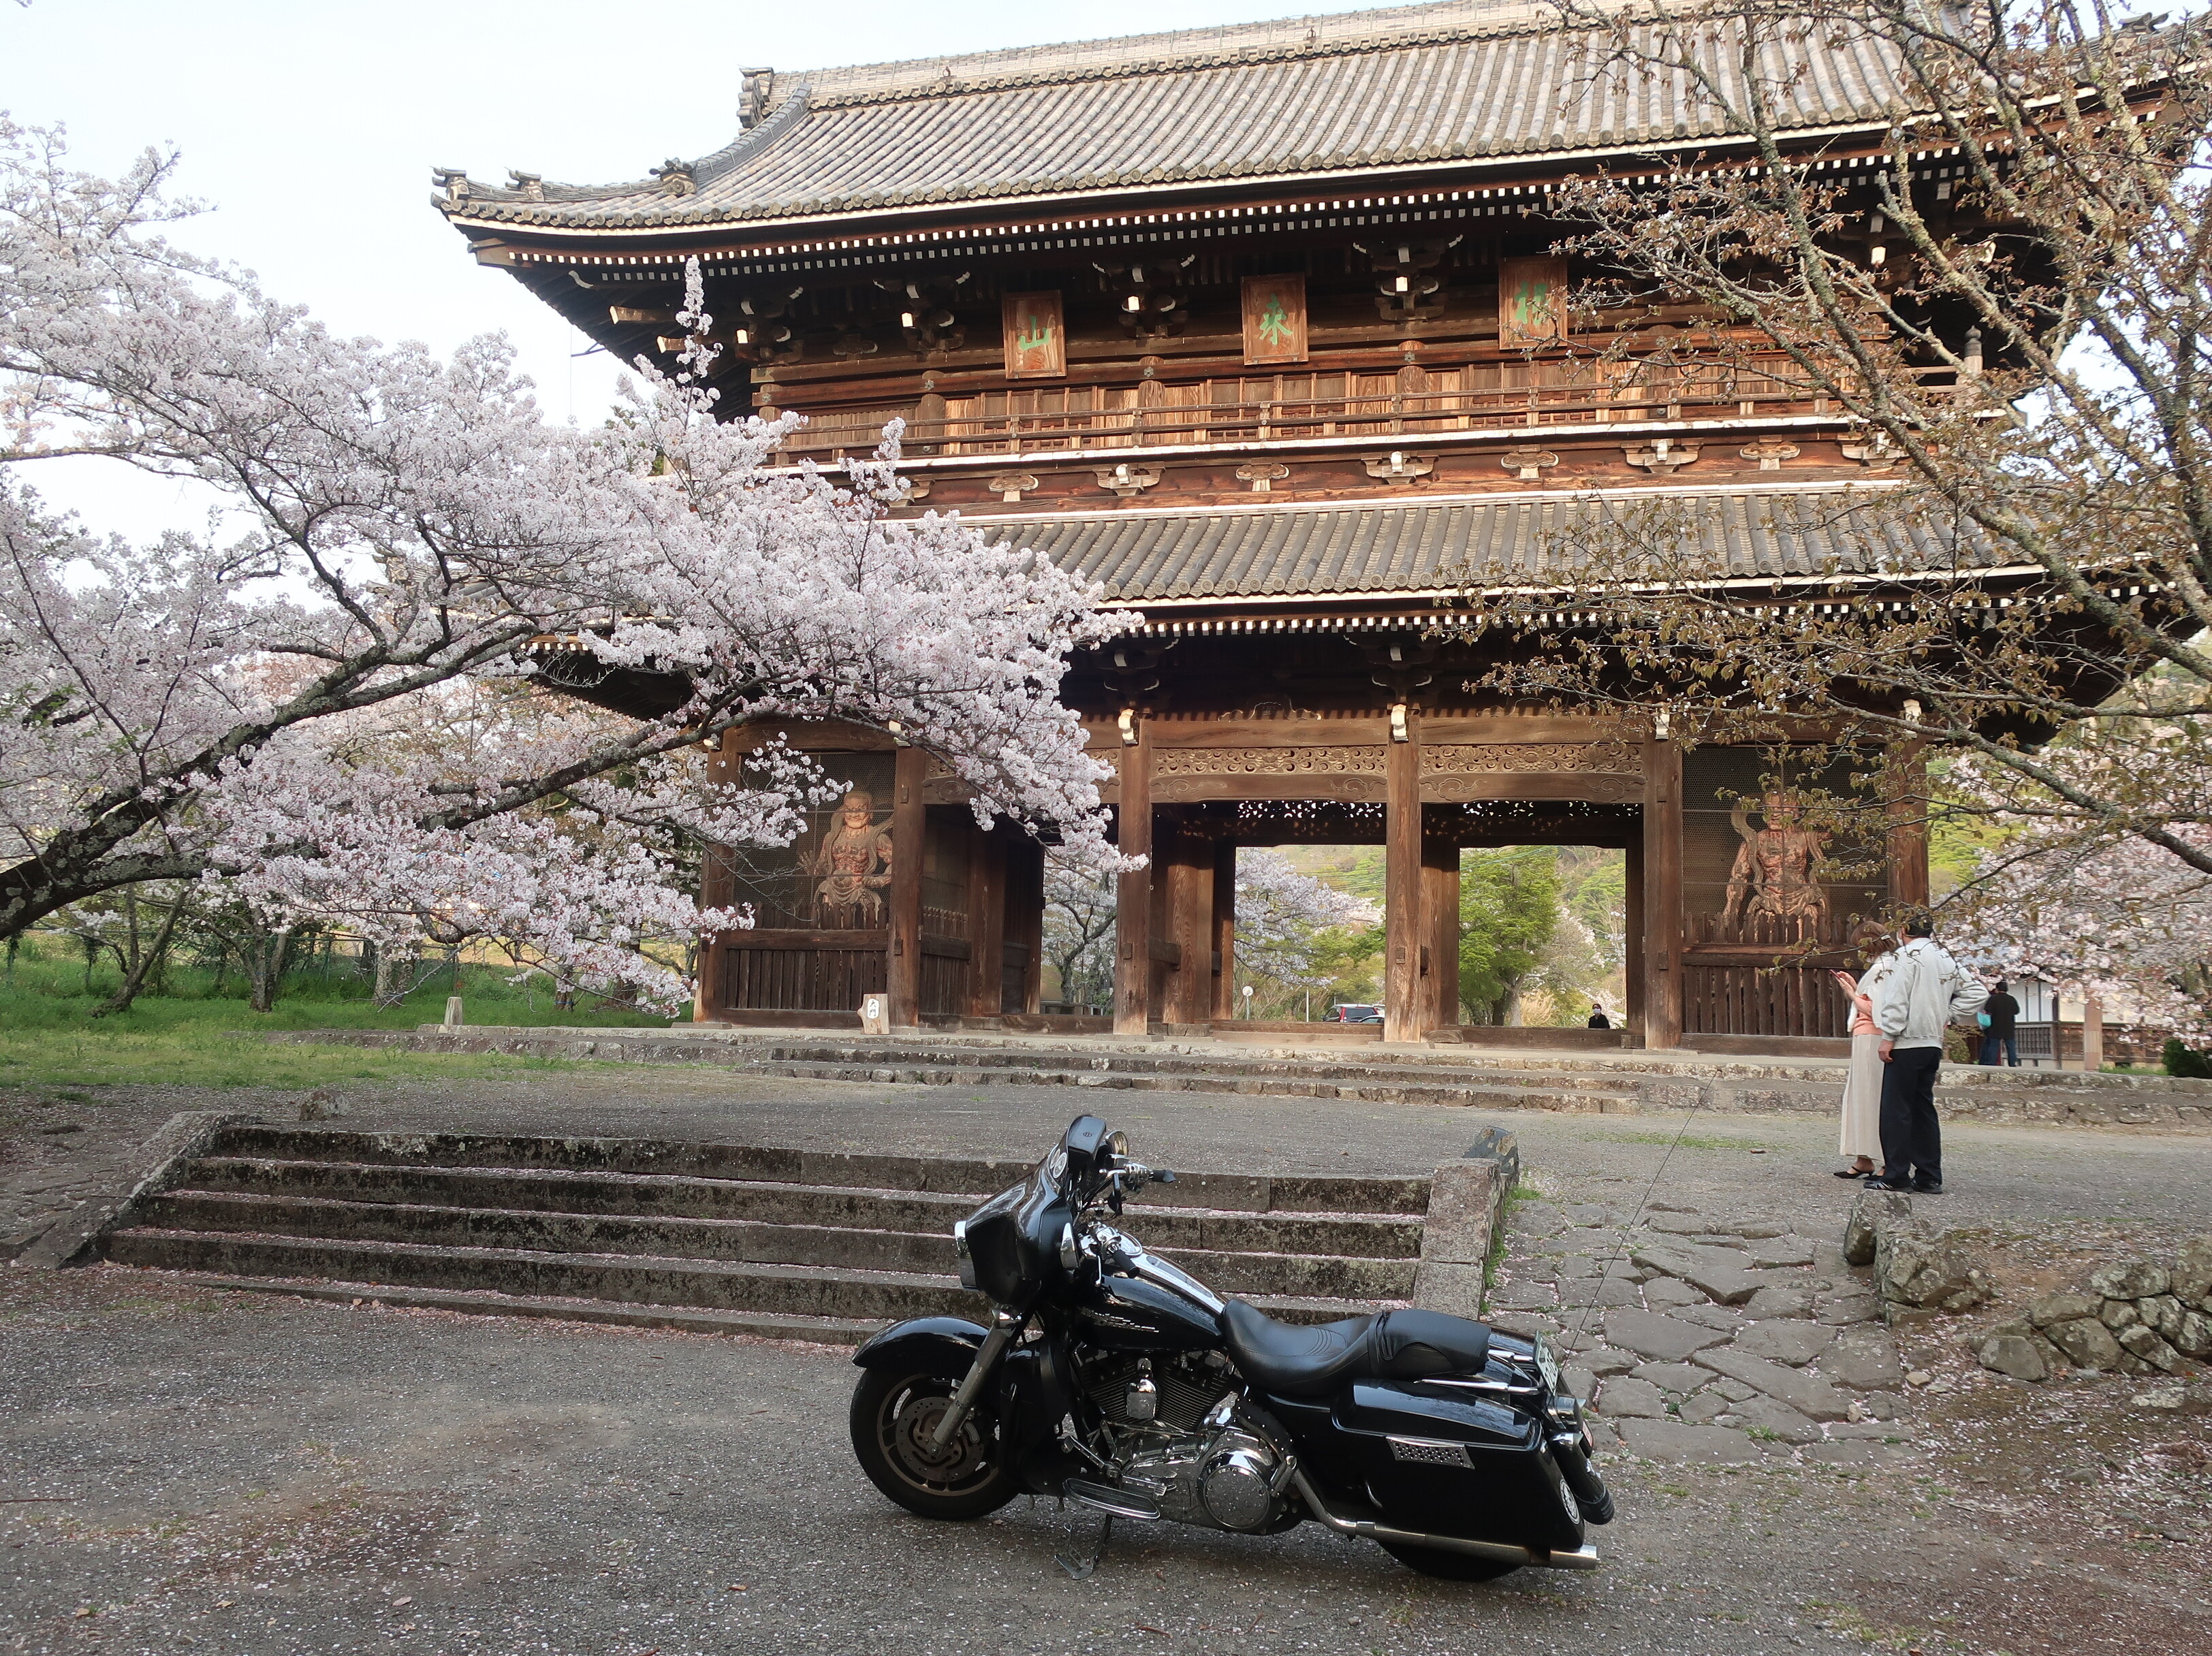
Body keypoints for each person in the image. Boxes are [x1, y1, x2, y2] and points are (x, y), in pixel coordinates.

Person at [1867, 912, 1989, 1194]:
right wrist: (1950, 1015)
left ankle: (1897, 1173)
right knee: (1924, 1109)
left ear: (1903, 931)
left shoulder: (1905, 957)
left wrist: (1889, 1036)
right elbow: (1977, 992)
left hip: (1907, 1040)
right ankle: (1929, 1175)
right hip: (1932, 1040)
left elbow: (1897, 999)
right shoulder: (1944, 957)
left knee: (1896, 1110)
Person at [1829, 924, 1895, 1178]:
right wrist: (1857, 989)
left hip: (1872, 1036)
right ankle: (1864, 1157)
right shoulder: (1885, 967)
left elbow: (1877, 1011)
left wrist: (1851, 995)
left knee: (1870, 1097)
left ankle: (1883, 1159)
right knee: (1862, 1096)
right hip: (1865, 1036)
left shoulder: (1882, 969)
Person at [1981, 979, 2021, 1066]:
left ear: (1997, 989)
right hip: (2009, 1026)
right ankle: (2012, 1063)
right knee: (2010, 1046)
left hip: (1995, 1025)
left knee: (1994, 1046)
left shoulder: (1993, 999)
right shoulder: (2011, 999)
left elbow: (1987, 1010)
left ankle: (1992, 1063)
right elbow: (2017, 1011)